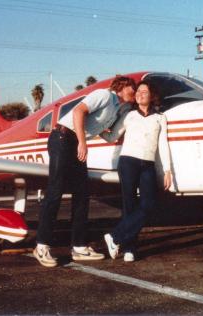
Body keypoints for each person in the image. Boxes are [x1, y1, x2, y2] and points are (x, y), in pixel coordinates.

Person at [34, 76, 136, 267]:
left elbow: (109, 136)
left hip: (75, 142)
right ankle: (42, 245)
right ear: (122, 87)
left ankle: (79, 246)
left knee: (82, 194)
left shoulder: (116, 109)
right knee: (55, 192)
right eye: (133, 88)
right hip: (63, 138)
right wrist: (82, 142)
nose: (135, 91)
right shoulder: (104, 95)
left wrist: (128, 121)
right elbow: (79, 112)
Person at [101, 80, 172, 262]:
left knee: (149, 205)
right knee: (129, 206)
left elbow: (163, 145)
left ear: (151, 95)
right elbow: (111, 136)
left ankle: (115, 237)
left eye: (144, 91)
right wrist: (93, 128)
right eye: (138, 91)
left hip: (147, 164)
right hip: (128, 163)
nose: (139, 94)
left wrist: (167, 170)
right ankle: (129, 249)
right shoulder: (129, 115)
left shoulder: (160, 118)